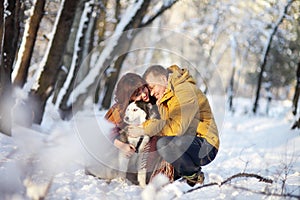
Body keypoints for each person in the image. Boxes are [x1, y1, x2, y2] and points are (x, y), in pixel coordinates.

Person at [128, 65, 219, 186]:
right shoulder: (165, 95)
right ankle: (181, 172)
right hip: (186, 142)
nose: (152, 92)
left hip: (206, 145)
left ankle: (194, 175)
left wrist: (144, 128)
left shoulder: (185, 91)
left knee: (164, 143)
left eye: (152, 87)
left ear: (162, 79)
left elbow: (176, 128)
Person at [104, 72, 172, 184]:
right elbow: (108, 131)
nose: (143, 95)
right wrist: (122, 146)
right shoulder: (121, 109)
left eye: (143, 89)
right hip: (130, 153)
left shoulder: (155, 98)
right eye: (137, 94)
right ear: (129, 98)